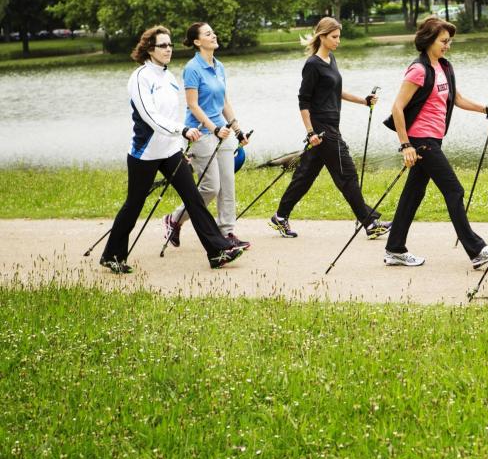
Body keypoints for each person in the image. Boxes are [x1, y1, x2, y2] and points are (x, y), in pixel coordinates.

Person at [100, 25, 244, 273]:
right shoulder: (140, 77)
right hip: (145, 153)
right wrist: (183, 130)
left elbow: (171, 114)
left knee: (194, 199)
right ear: (149, 49)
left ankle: (218, 251)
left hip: (170, 152)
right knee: (134, 204)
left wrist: (180, 147)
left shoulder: (168, 77)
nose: (168, 49)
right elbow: (151, 117)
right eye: (162, 46)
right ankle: (112, 255)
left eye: (170, 45)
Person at [383, 16, 488, 269]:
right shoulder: (418, 70)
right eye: (443, 41)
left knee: (413, 194)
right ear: (429, 40)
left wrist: (485, 108)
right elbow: (397, 107)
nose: (447, 45)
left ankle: (395, 249)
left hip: (434, 139)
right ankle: (477, 249)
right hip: (422, 140)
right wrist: (406, 145)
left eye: (449, 41)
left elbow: (456, 98)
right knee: (454, 190)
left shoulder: (444, 67)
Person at [268, 17, 391, 239]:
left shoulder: (330, 59)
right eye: (334, 37)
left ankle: (280, 216)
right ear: (322, 36)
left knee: (305, 176)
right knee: (347, 173)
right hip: (322, 129)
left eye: (339, 37)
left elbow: (336, 90)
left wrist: (364, 101)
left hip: (331, 125)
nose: (338, 41)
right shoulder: (312, 65)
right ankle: (370, 223)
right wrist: (310, 133)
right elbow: (303, 101)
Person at [162, 22, 250, 250]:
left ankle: (227, 232)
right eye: (208, 34)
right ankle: (174, 219)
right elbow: (193, 105)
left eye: (213, 32)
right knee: (211, 187)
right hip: (200, 134)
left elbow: (224, 103)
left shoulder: (219, 66)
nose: (214, 35)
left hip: (223, 133)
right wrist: (213, 128)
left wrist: (238, 130)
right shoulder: (192, 68)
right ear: (197, 41)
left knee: (228, 186)